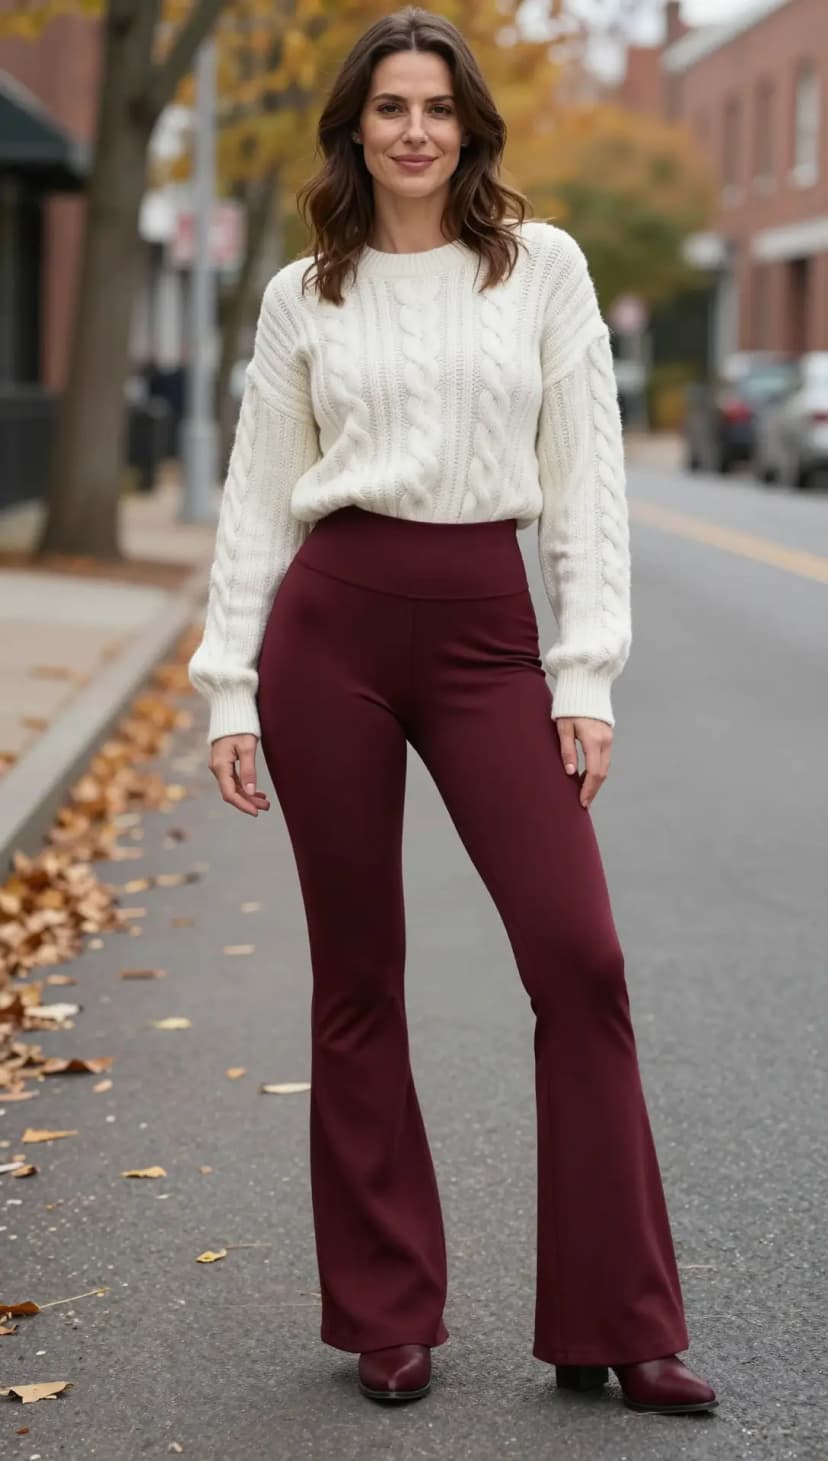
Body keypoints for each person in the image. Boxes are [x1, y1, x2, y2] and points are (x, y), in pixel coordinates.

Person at [188, 6, 717, 1418]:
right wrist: (229, 683)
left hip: (488, 630)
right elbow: (255, 493)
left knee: (579, 956)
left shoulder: (538, 269)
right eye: (389, 108)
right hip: (333, 622)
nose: (414, 129)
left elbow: (586, 474)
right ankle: (385, 1310)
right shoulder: (308, 293)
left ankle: (621, 1319)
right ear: (356, 130)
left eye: (437, 106)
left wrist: (584, 670)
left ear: (471, 127)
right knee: (359, 977)